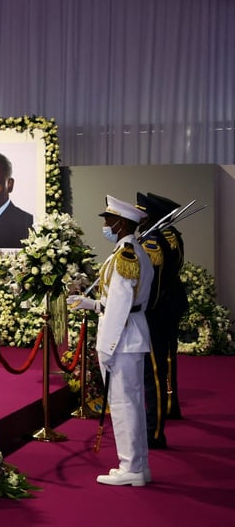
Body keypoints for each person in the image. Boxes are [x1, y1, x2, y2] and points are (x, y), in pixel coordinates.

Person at [69, 195, 153, 486]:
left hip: (122, 339)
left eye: (109, 220)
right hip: (130, 334)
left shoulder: (125, 256)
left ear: (121, 224)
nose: (105, 224)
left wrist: (107, 348)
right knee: (131, 403)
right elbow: (117, 300)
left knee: (123, 405)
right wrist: (92, 304)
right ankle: (137, 465)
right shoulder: (129, 251)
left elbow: (119, 306)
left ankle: (131, 467)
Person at [136, 191, 189, 446]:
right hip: (172, 304)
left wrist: (145, 310)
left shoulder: (152, 241)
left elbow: (154, 284)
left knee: (155, 370)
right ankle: (170, 405)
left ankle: (154, 431)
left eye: (142, 214)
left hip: (157, 310)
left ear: (150, 216)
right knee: (167, 358)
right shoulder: (171, 234)